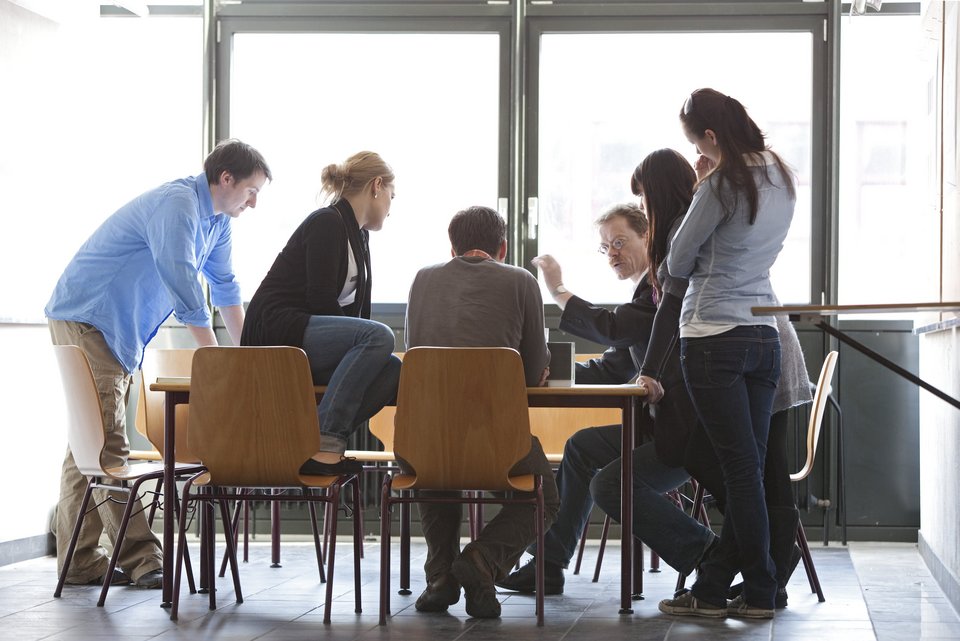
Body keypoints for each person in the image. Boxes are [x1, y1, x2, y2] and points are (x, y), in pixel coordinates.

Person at [45, 138, 271, 589]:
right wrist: (213, 357)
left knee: (88, 449)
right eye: (251, 191)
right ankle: (144, 559)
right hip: (90, 317)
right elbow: (183, 280)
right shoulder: (178, 204)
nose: (254, 203)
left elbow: (224, 287)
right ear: (225, 179)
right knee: (107, 447)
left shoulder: (218, 223)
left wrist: (250, 359)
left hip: (114, 330)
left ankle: (78, 560)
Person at [499, 161, 722, 595]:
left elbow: (615, 329)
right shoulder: (645, 293)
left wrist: (559, 291)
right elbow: (614, 365)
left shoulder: (657, 290)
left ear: (648, 236)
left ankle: (708, 553)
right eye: (605, 247)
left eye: (620, 242)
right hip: (660, 424)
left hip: (684, 433)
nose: (612, 253)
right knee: (582, 447)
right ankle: (549, 563)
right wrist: (552, 375)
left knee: (606, 482)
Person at [658, 88, 797, 620]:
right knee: (752, 469)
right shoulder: (782, 175)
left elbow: (677, 257)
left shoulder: (720, 182)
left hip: (713, 333)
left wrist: (701, 187)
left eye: (698, 143)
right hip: (765, 334)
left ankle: (757, 588)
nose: (700, 152)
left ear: (710, 137)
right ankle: (724, 588)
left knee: (739, 473)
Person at [404, 205, 560, 619]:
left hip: (424, 439)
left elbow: (415, 353)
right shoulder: (522, 281)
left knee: (437, 472)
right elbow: (528, 371)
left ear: (452, 248)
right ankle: (481, 561)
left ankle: (440, 577)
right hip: (497, 441)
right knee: (546, 499)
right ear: (503, 248)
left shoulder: (422, 279)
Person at [241, 151, 401, 476]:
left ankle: (311, 437)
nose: (391, 206)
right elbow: (319, 299)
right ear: (376, 185)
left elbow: (352, 315)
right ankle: (326, 443)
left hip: (305, 336)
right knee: (379, 336)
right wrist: (361, 338)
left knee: (392, 370)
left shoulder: (359, 234)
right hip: (277, 329)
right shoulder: (328, 222)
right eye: (391, 196)